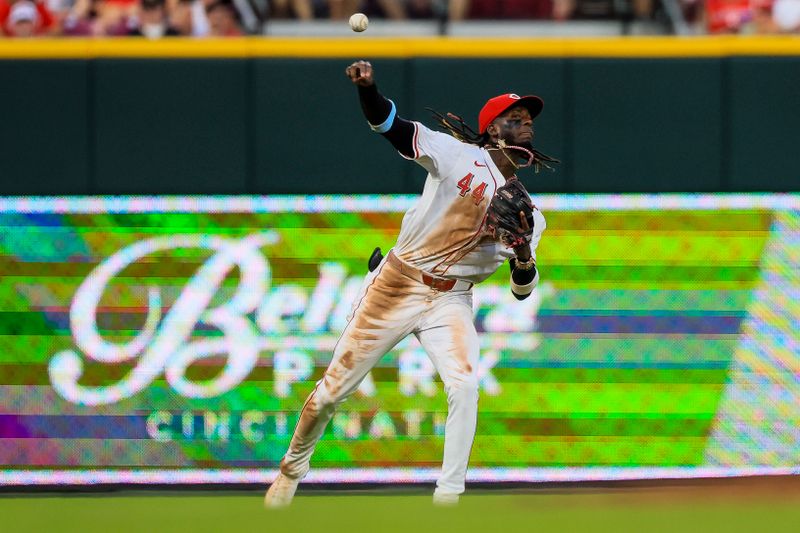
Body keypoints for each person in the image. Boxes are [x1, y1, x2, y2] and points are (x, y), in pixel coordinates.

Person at [264, 59, 554, 507]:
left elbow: (522, 290)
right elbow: (391, 125)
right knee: (331, 393)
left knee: (464, 385)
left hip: (451, 301)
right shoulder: (458, 155)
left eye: (529, 119)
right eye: (515, 118)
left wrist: (521, 252)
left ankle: (448, 499)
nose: (526, 125)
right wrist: (368, 90)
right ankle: (290, 471)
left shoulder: (530, 214)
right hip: (397, 283)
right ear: (491, 129)